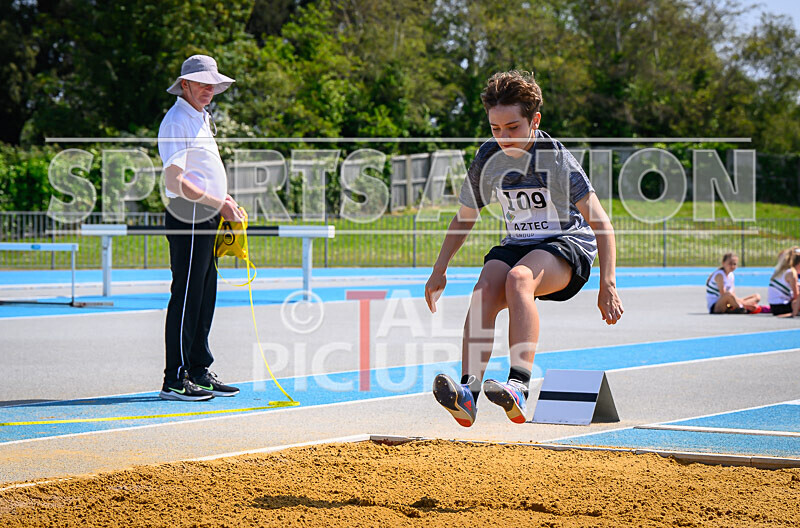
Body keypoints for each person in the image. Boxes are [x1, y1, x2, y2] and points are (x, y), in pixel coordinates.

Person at [424, 70, 623, 427]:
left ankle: (519, 385)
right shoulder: (487, 158)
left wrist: (607, 284)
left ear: (535, 120)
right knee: (484, 287)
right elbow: (464, 218)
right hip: (518, 243)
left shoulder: (554, 158)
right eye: (495, 129)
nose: (504, 138)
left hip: (566, 246)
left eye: (513, 127)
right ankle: (468, 393)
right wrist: (440, 269)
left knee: (518, 278)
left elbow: (602, 224)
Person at [157, 55, 244, 401]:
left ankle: (197, 370)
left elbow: (201, 170)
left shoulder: (199, 117)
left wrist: (225, 199)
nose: (210, 88)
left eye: (213, 83)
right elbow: (175, 180)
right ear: (186, 85)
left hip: (205, 213)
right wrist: (218, 202)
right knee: (188, 295)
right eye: (202, 82)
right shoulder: (177, 120)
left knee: (204, 293)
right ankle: (175, 378)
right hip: (188, 214)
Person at [767, 247, 800, 317]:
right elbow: (796, 296)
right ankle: (794, 313)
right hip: (782, 307)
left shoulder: (781, 270)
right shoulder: (792, 273)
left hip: (774, 307)